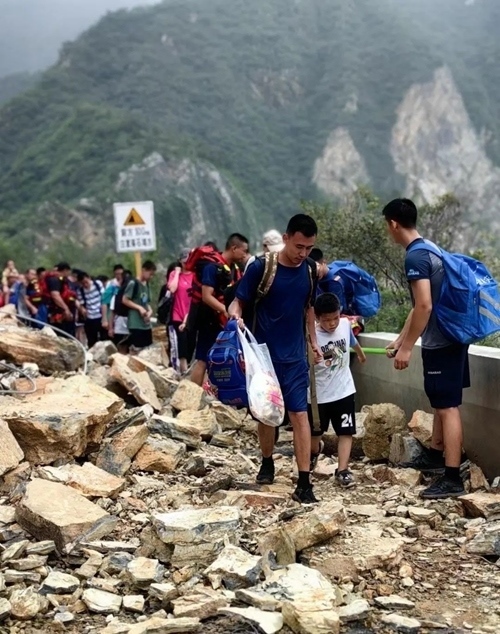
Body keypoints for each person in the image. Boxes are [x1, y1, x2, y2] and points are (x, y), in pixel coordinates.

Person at [230, 214, 323, 504]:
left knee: (299, 414)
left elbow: (309, 308)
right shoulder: (262, 267)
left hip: (295, 357)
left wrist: (314, 343)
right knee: (266, 413)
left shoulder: (309, 270)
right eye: (298, 246)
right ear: (285, 239)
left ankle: (304, 482)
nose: (303, 253)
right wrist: (235, 317)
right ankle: (267, 461)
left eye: (308, 248)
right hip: (263, 358)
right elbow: (238, 301)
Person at [382, 198, 469, 499]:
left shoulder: (415, 257)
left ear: (394, 224)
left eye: (387, 226)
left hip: (441, 341)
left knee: (447, 407)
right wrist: (400, 339)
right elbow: (417, 305)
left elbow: (424, 305)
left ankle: (452, 477)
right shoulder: (430, 248)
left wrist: (407, 348)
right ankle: (436, 453)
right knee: (441, 400)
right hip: (452, 337)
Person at [308, 293, 366, 488]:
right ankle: (314, 452)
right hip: (318, 396)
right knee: (315, 434)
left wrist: (361, 355)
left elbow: (352, 341)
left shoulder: (345, 325)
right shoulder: (311, 336)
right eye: (326, 320)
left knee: (346, 431)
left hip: (344, 390)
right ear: (317, 318)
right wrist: (312, 359)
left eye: (335, 318)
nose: (332, 323)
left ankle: (343, 470)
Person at [190, 234, 249, 386]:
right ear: (234, 248)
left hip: (226, 322)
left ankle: (214, 392)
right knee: (203, 359)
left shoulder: (235, 269)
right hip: (210, 320)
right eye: (243, 251)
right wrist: (225, 310)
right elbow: (206, 296)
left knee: (223, 358)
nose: (245, 255)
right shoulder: (212, 268)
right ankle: (192, 393)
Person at [167, 248, 194, 374]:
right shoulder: (174, 274)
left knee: (191, 343)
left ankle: (188, 368)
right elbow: (172, 289)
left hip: (191, 314)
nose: (186, 264)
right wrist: (177, 273)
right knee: (181, 343)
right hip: (177, 313)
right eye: (183, 262)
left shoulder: (195, 275)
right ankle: (183, 371)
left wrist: (186, 319)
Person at [122, 260, 156, 351]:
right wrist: (139, 308)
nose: (151, 277)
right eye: (150, 274)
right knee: (136, 349)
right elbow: (125, 300)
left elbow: (146, 302)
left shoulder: (147, 284)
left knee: (148, 349)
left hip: (146, 324)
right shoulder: (133, 283)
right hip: (135, 323)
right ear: (144, 270)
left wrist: (150, 311)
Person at [76, 271, 107, 348]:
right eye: (83, 283)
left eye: (86, 282)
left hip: (100, 315)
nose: (85, 285)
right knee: (91, 341)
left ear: (89, 278)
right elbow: (81, 303)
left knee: (104, 339)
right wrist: (82, 309)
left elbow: (104, 298)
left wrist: (105, 318)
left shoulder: (97, 284)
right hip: (90, 317)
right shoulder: (80, 290)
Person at [46, 262, 77, 336]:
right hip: (57, 314)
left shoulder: (65, 281)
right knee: (60, 334)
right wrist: (66, 309)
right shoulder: (55, 280)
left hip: (66, 314)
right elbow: (55, 295)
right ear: (65, 270)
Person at [108, 269, 133, 353]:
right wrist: (111, 328)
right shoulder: (116, 296)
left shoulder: (133, 295)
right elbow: (112, 312)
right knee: (121, 346)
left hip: (131, 323)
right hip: (120, 325)